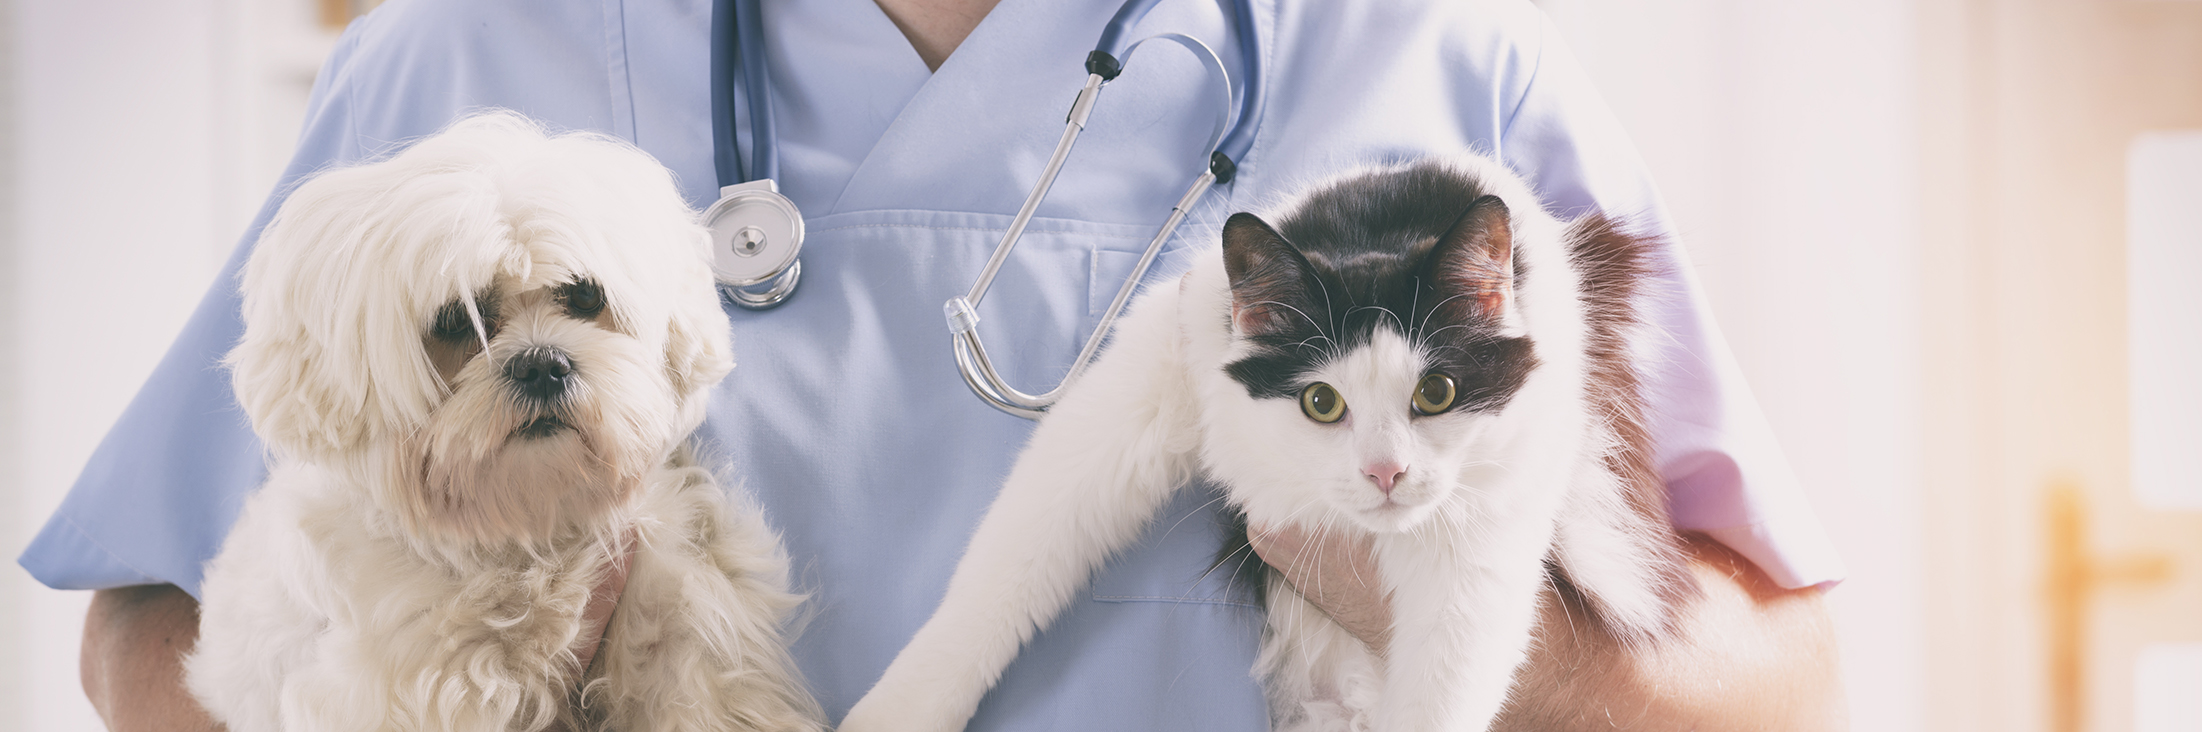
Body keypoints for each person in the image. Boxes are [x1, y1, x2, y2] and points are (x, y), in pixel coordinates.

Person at [31, 0, 1850, 729]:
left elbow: (1782, 679)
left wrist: (1426, 601)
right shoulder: (462, 57)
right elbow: (144, 634)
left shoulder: (1426, 61)